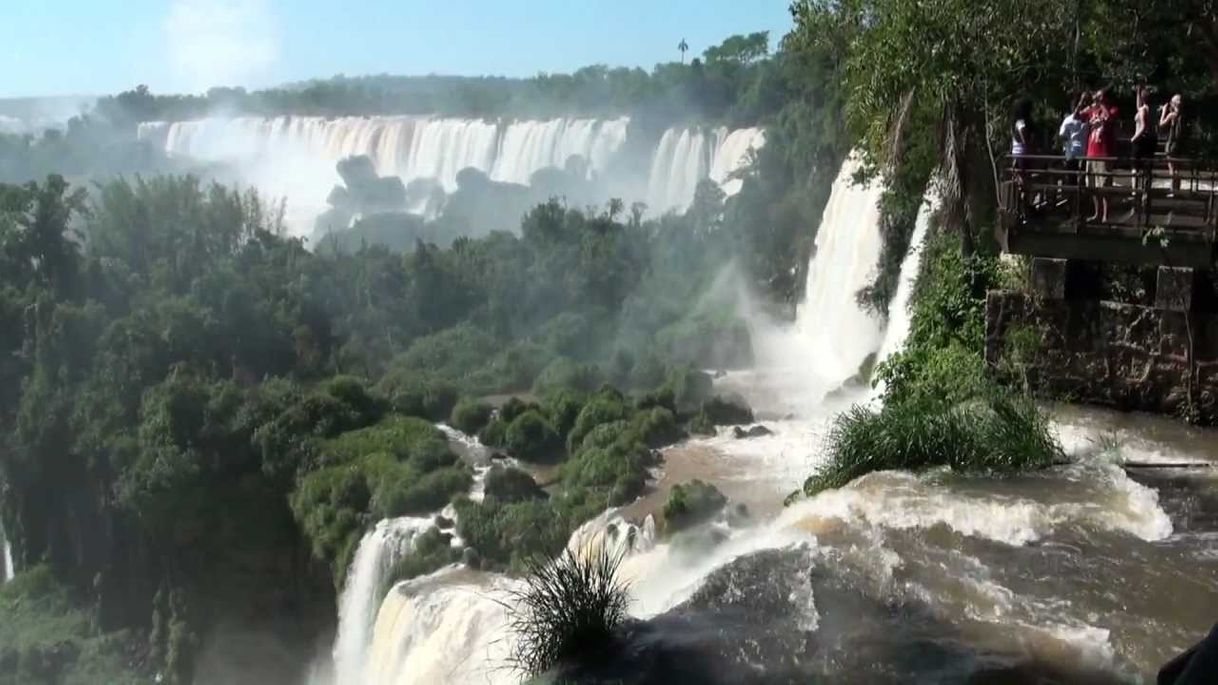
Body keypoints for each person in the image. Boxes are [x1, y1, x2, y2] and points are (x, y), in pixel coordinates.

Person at [1085, 89, 1117, 223]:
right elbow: (1078, 116)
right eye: (1098, 97)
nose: (1098, 99)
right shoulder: (1093, 110)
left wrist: (1102, 104)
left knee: (1104, 185)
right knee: (1092, 185)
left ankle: (1106, 215)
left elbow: (1108, 118)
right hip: (1091, 152)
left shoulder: (1113, 109)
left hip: (1104, 153)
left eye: (1101, 97)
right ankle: (1097, 213)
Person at [1058, 92, 1091, 190]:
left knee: (1083, 181)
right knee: (1072, 181)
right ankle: (1072, 202)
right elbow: (1061, 135)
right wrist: (1068, 144)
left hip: (1085, 154)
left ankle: (1080, 201)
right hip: (1072, 154)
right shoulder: (1069, 120)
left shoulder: (1088, 119)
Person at [1160, 94, 1184, 194]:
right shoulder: (1182, 114)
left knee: (1171, 168)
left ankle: (1172, 189)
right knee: (1177, 168)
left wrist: (1163, 111)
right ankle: (1177, 189)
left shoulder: (1172, 115)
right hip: (1179, 143)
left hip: (1171, 143)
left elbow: (1161, 124)